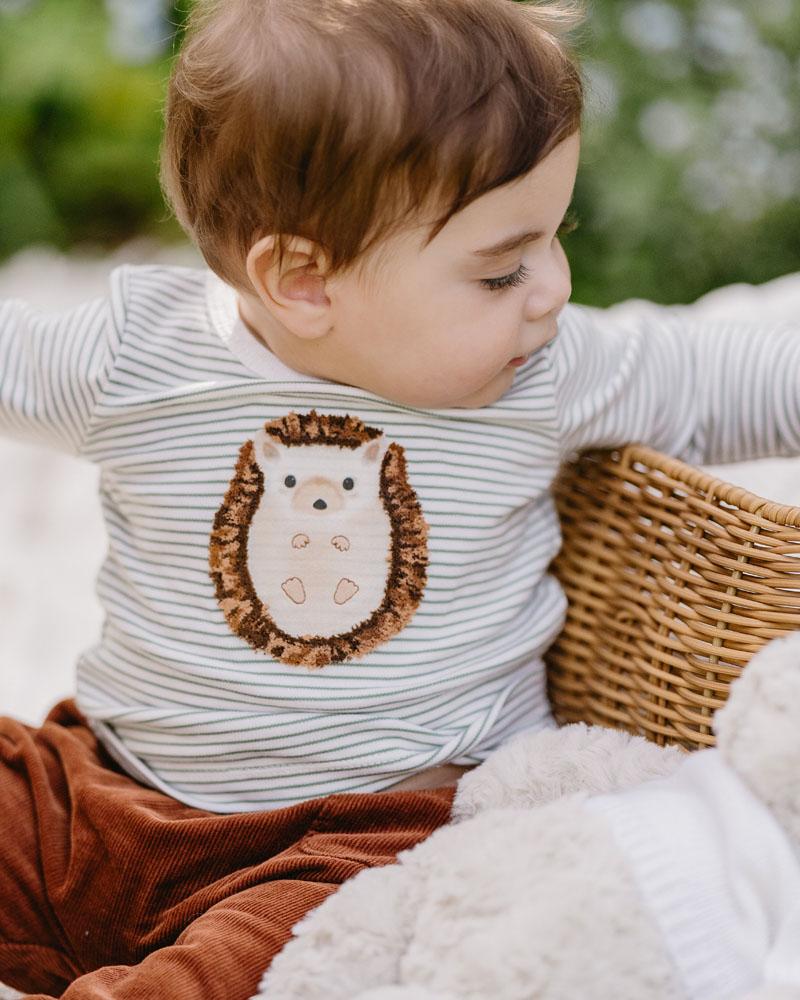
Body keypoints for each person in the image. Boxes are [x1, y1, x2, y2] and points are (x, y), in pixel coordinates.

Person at [0, 0, 799, 996]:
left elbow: (726, 379)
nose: (553, 288)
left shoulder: (546, 372)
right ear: (302, 279)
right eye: (501, 270)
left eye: (554, 238)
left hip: (354, 844)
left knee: (250, 971)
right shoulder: (137, 355)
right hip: (96, 789)